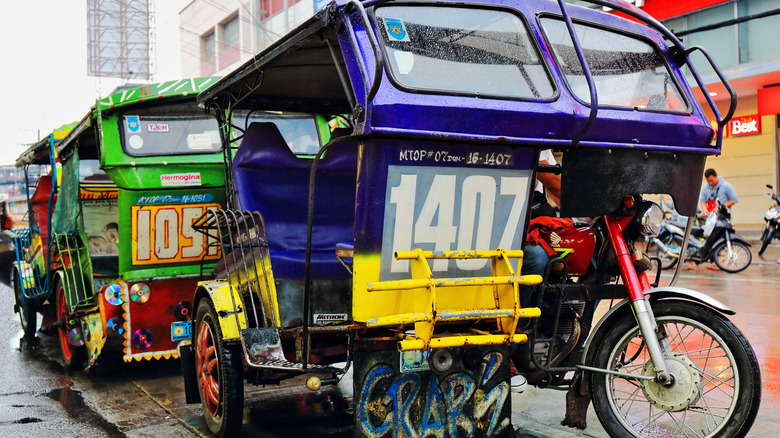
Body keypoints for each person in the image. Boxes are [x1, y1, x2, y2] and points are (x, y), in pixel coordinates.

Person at [693, 168, 738, 260]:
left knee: (723, 239)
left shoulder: (726, 186)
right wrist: (705, 210)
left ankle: (723, 260)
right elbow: (703, 201)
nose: (710, 183)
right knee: (709, 238)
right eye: (708, 181)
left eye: (711, 180)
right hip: (710, 219)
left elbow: (734, 200)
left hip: (723, 218)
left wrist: (720, 207)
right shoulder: (706, 187)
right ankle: (711, 258)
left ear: (716, 176)